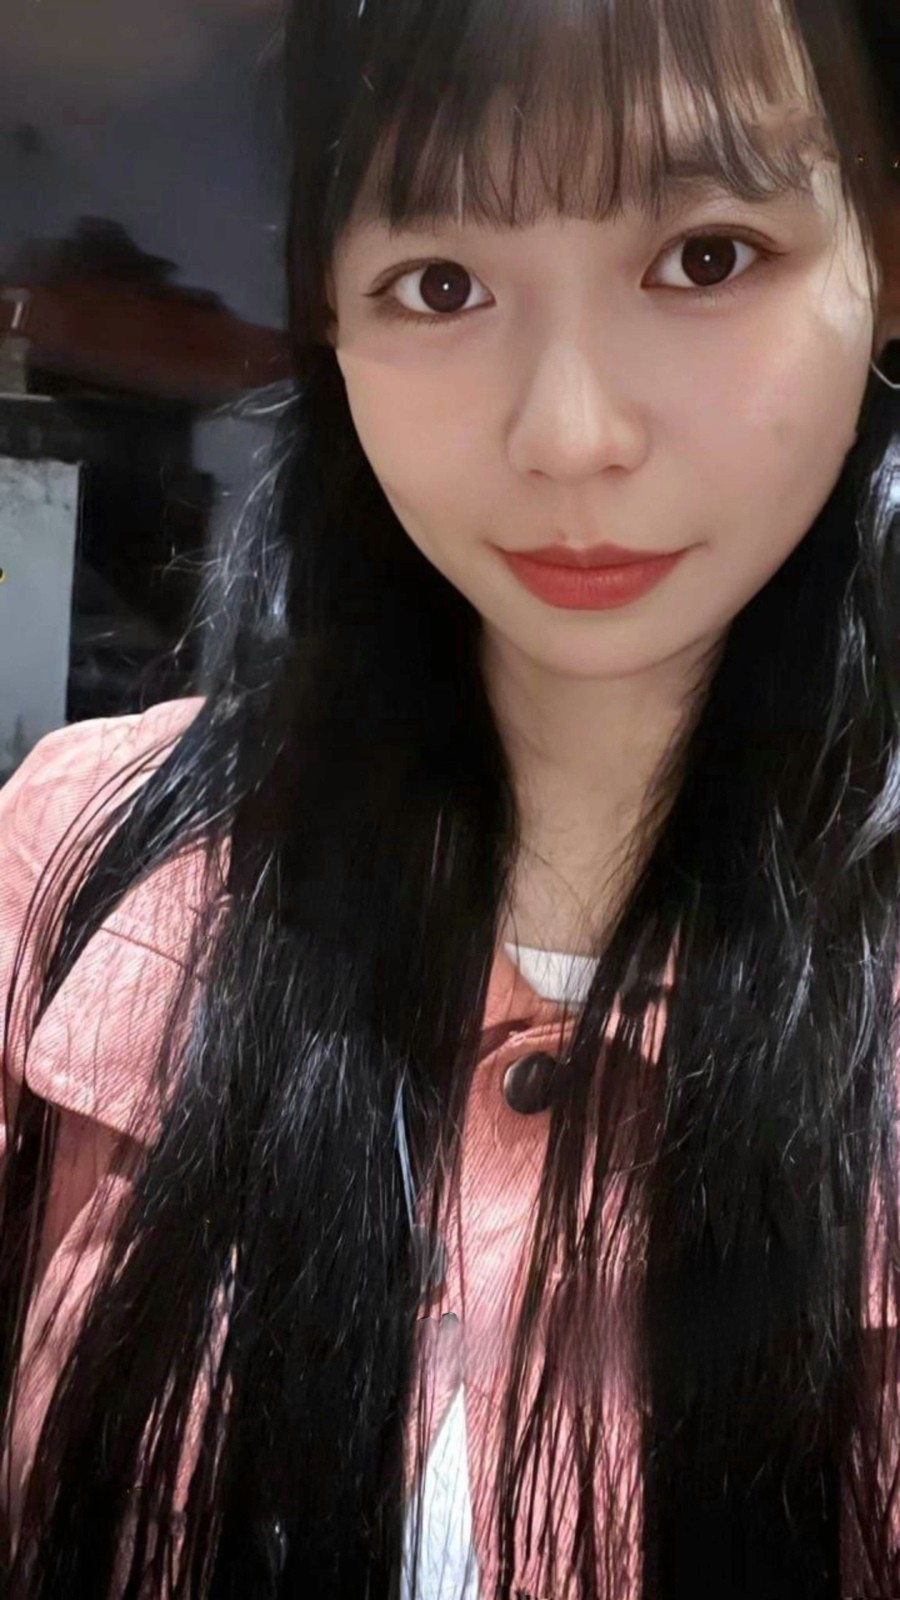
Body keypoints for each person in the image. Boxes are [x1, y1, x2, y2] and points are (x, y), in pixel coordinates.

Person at [0, 0, 898, 1596]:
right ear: (333, 318)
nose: (570, 434)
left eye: (706, 257)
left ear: (881, 256)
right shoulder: (78, 857)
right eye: (440, 284)